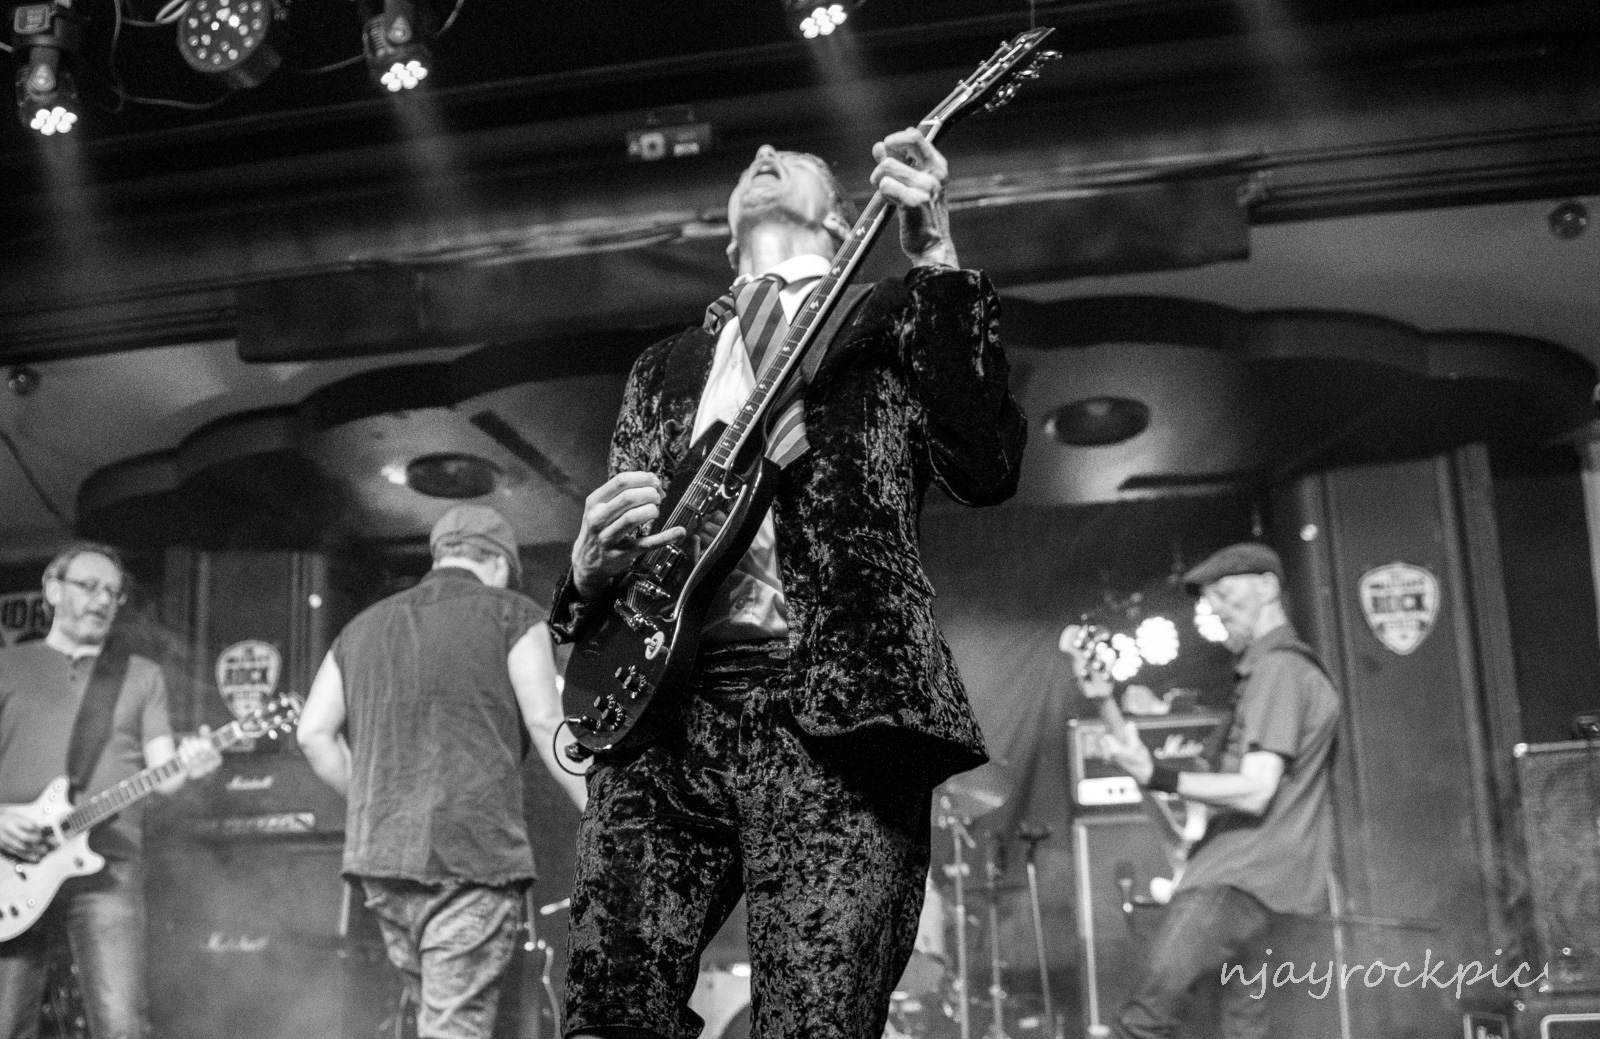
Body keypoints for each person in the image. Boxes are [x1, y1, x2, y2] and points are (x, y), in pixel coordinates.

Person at [550, 130, 1026, 1039]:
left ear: (843, 220)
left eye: (795, 159)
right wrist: (584, 569)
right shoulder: (664, 368)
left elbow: (985, 461)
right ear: (729, 240)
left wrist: (935, 256)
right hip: (665, 720)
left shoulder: (893, 318)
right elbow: (628, 573)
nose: (764, 149)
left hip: (836, 710)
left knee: (817, 1021)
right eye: (750, 165)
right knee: (608, 1016)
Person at [297, 504, 586, 1039]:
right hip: (470, 855)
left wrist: (377, 804)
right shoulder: (513, 614)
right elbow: (547, 721)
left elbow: (313, 733)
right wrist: (600, 809)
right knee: (453, 1027)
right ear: (498, 563)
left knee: (435, 1015)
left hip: (382, 859)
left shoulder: (359, 628)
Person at [1085, 542, 1342, 1039]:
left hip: (1239, 880)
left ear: (1267, 587)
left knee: (1143, 1022)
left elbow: (1256, 790)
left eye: (1225, 593)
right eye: (1210, 600)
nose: (1216, 609)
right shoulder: (1274, 673)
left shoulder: (1279, 670)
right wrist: (1108, 708)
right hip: (1275, 889)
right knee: (1244, 1030)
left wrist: (1159, 775)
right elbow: (1193, 814)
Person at [0, 542, 222, 1039]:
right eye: (89, 586)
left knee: (120, 1025)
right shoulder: (6, 667)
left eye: (113, 592)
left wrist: (196, 763)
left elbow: (166, 773)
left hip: (109, 865)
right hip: (10, 865)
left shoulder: (142, 675)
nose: (102, 600)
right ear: (52, 590)